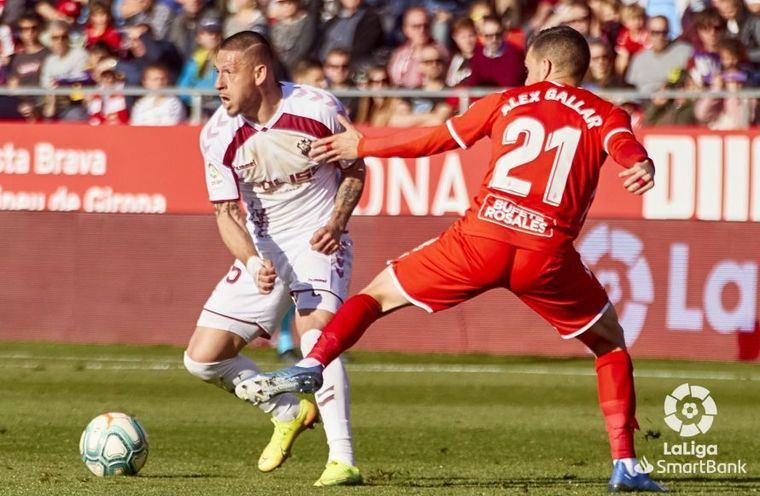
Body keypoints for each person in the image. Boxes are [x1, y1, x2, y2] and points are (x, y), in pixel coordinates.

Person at [243, 26, 667, 493]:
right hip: (546, 255)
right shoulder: (606, 113)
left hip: (480, 241)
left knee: (375, 296)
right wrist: (639, 163)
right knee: (609, 344)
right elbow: (624, 146)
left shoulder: (506, 102)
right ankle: (625, 464)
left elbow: (430, 142)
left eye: (528, 67)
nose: (525, 74)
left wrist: (362, 145)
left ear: (544, 66)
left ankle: (312, 364)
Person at [184, 31, 365, 487]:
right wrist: (249, 260)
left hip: (317, 239)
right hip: (264, 247)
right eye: (217, 72)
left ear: (259, 73)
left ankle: (342, 459)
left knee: (314, 332)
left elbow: (356, 168)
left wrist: (337, 224)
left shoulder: (316, 107)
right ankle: (286, 411)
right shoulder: (218, 134)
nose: (218, 83)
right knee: (202, 359)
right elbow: (225, 212)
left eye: (229, 72)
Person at [626, 16, 693, 93]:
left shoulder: (685, 52)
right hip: (644, 102)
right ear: (648, 33)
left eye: (664, 32)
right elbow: (631, 89)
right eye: (655, 33)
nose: (660, 37)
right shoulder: (639, 58)